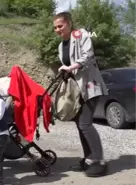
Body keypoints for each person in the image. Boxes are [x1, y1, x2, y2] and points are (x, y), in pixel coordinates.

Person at [53, 11, 108, 177]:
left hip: (90, 86)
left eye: (60, 26)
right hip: (77, 90)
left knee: (85, 124)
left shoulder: (81, 34)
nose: (57, 29)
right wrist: (65, 72)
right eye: (55, 27)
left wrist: (71, 67)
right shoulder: (60, 46)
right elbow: (68, 66)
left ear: (69, 23)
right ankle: (89, 159)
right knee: (80, 125)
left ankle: (99, 160)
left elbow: (88, 56)